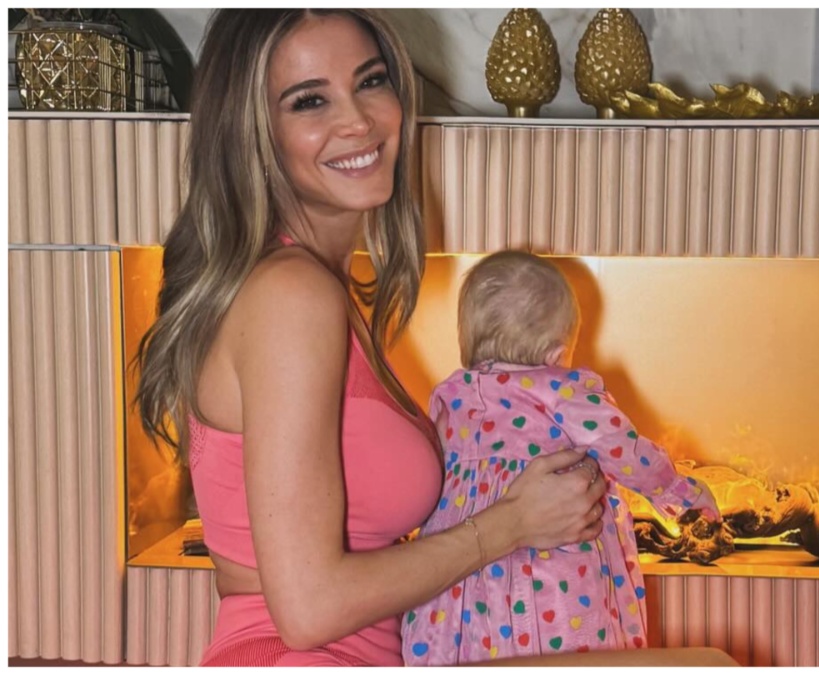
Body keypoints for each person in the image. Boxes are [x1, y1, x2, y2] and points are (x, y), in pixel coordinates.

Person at [133, 10, 607, 666]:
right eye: (309, 100)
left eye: (370, 81)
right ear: (252, 134)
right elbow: (309, 609)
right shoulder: (291, 295)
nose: (357, 120)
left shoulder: (312, 289)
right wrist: (511, 525)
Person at [401, 251, 722, 665]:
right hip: (547, 591)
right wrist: (678, 491)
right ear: (557, 355)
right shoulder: (562, 391)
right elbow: (621, 448)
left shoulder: (450, 399)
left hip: (459, 593)